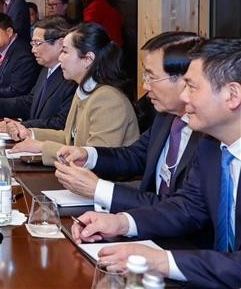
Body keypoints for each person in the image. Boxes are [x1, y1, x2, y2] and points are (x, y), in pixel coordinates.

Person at [71, 38, 241, 288]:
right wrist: (121, 222)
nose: (184, 96)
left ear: (232, 95)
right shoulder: (211, 146)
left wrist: (162, 261)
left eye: (192, 87)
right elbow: (188, 207)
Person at [54, 32, 205, 213]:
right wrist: (88, 155)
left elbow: (183, 208)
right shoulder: (166, 117)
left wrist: (99, 189)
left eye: (151, 77)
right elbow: (135, 155)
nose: (146, 87)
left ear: (185, 80)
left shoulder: (209, 135)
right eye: (145, 77)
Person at [9, 22, 139, 165]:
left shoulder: (108, 99)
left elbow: (95, 157)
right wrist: (31, 134)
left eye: (65, 52)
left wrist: (42, 147)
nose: (60, 58)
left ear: (88, 59)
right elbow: (68, 137)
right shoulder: (83, 90)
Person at [0, 16, 76, 130]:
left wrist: (21, 126)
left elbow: (61, 123)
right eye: (32, 44)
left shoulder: (71, 77)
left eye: (38, 43)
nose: (33, 50)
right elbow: (29, 102)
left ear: (60, 44)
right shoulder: (47, 69)